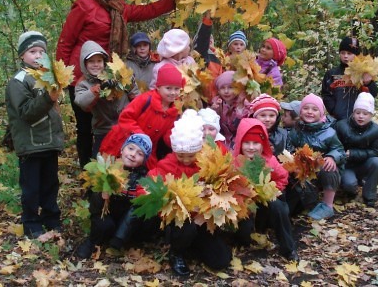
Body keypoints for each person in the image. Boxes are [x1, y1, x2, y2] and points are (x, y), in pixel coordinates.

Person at [56, 0, 177, 169]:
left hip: (110, 76)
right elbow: (66, 41)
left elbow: (147, 11)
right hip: (81, 75)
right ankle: (88, 171)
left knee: (111, 123)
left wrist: (175, 0)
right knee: (85, 127)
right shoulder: (84, 6)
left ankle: (112, 168)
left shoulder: (121, 9)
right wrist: (63, 75)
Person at [148, 110, 232, 276]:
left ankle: (195, 246)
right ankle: (177, 251)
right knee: (185, 228)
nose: (186, 160)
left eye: (190, 156)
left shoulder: (208, 163)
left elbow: (224, 182)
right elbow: (149, 186)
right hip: (180, 221)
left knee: (221, 260)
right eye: (181, 156)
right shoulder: (167, 165)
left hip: (203, 219)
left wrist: (212, 193)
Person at [5, 31, 64, 238]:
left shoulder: (49, 76)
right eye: (32, 51)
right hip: (30, 144)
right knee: (31, 188)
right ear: (22, 55)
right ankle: (31, 224)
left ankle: (52, 220)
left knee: (50, 185)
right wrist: (48, 98)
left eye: (42, 51)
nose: (38, 55)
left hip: (49, 143)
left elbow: (54, 111)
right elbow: (26, 112)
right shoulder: (19, 80)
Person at [75, 134, 156, 259]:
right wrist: (102, 196)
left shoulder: (144, 178)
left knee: (143, 207)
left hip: (127, 222)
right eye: (130, 148)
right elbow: (94, 206)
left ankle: (121, 240)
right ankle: (92, 241)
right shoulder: (107, 170)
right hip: (107, 213)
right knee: (103, 224)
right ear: (122, 149)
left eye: (140, 154)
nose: (133, 154)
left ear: (144, 160)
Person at [232, 118, 298, 261]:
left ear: (262, 145)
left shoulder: (269, 161)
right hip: (245, 205)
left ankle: (288, 248)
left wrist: (273, 190)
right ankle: (243, 238)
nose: (251, 147)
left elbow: (282, 176)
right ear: (240, 143)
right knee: (244, 234)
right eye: (246, 143)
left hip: (266, 203)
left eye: (255, 143)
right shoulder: (235, 163)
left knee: (278, 207)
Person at [100, 63, 183, 170]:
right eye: (168, 88)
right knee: (112, 171)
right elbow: (125, 117)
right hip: (125, 141)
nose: (173, 93)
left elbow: (168, 133)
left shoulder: (174, 109)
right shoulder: (146, 99)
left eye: (176, 89)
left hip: (147, 150)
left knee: (146, 178)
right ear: (158, 87)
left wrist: (178, 141)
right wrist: (141, 137)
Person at [74, 41, 139, 161]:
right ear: (84, 64)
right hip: (103, 130)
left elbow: (135, 95)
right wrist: (99, 88)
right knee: (101, 163)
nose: (95, 65)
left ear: (104, 62)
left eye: (99, 61)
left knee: (128, 161)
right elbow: (82, 102)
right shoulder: (83, 83)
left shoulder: (117, 74)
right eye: (91, 61)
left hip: (126, 126)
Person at [287, 94, 346, 220]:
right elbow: (290, 148)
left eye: (314, 109)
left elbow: (339, 150)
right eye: (306, 108)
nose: (309, 112)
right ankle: (307, 201)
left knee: (328, 166)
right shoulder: (296, 131)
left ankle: (327, 204)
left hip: (322, 169)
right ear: (300, 111)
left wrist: (332, 156)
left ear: (321, 113)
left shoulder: (329, 132)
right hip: (304, 169)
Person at [334, 92, 378, 207]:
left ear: (371, 115)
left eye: (365, 114)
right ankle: (349, 186)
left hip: (364, 163)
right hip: (345, 164)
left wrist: (353, 153)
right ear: (353, 113)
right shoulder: (341, 125)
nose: (361, 116)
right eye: (358, 113)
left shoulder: (377, 131)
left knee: (377, 162)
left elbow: (375, 151)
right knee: (350, 186)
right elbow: (334, 145)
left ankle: (369, 195)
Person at [321, 36, 378, 120]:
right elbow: (326, 94)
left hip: (358, 119)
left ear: (356, 55)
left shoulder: (364, 72)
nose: (345, 56)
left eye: (349, 53)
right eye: (343, 53)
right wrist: (334, 110)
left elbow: (373, 94)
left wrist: (368, 83)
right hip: (337, 119)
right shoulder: (331, 74)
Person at [210, 71, 250, 149]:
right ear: (218, 90)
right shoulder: (217, 102)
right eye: (222, 88)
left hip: (239, 138)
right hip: (221, 137)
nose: (226, 91)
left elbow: (243, 124)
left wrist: (240, 107)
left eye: (230, 87)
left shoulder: (244, 103)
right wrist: (214, 111)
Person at [193, 12, 224, 103]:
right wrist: (207, 21)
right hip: (204, 100)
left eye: (211, 38)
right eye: (207, 38)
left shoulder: (220, 57)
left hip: (219, 100)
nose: (209, 39)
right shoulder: (201, 55)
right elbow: (203, 40)